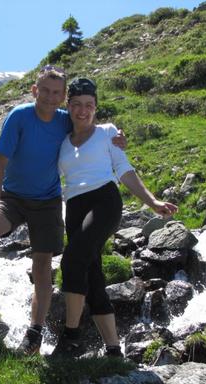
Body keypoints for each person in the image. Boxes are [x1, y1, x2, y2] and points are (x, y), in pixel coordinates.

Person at [0, 66, 125, 355]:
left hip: (49, 201)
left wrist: (117, 136)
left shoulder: (65, 119)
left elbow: (88, 121)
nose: (51, 98)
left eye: (57, 93)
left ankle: (35, 332)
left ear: (63, 96)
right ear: (34, 90)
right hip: (12, 197)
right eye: (46, 91)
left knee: (42, 263)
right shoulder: (19, 116)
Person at [53, 77, 177, 358]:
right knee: (93, 277)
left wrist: (152, 201)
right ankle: (113, 351)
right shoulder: (61, 141)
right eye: (76, 105)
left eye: (89, 105)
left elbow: (124, 169)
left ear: (96, 107)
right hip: (73, 208)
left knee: (72, 260)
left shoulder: (107, 132)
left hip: (104, 201)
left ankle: (71, 338)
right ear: (68, 106)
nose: (82, 111)